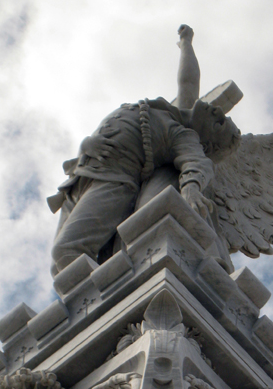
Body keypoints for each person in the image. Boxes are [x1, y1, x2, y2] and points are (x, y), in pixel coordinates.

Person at [49, 26, 241, 275]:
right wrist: (186, 43)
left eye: (220, 124)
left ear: (207, 140)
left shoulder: (181, 133)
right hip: (78, 180)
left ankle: (112, 297)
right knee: (59, 266)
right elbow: (188, 80)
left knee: (67, 251)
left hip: (114, 182)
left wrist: (192, 187)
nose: (218, 112)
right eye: (222, 115)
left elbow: (197, 162)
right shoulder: (172, 112)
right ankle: (101, 296)